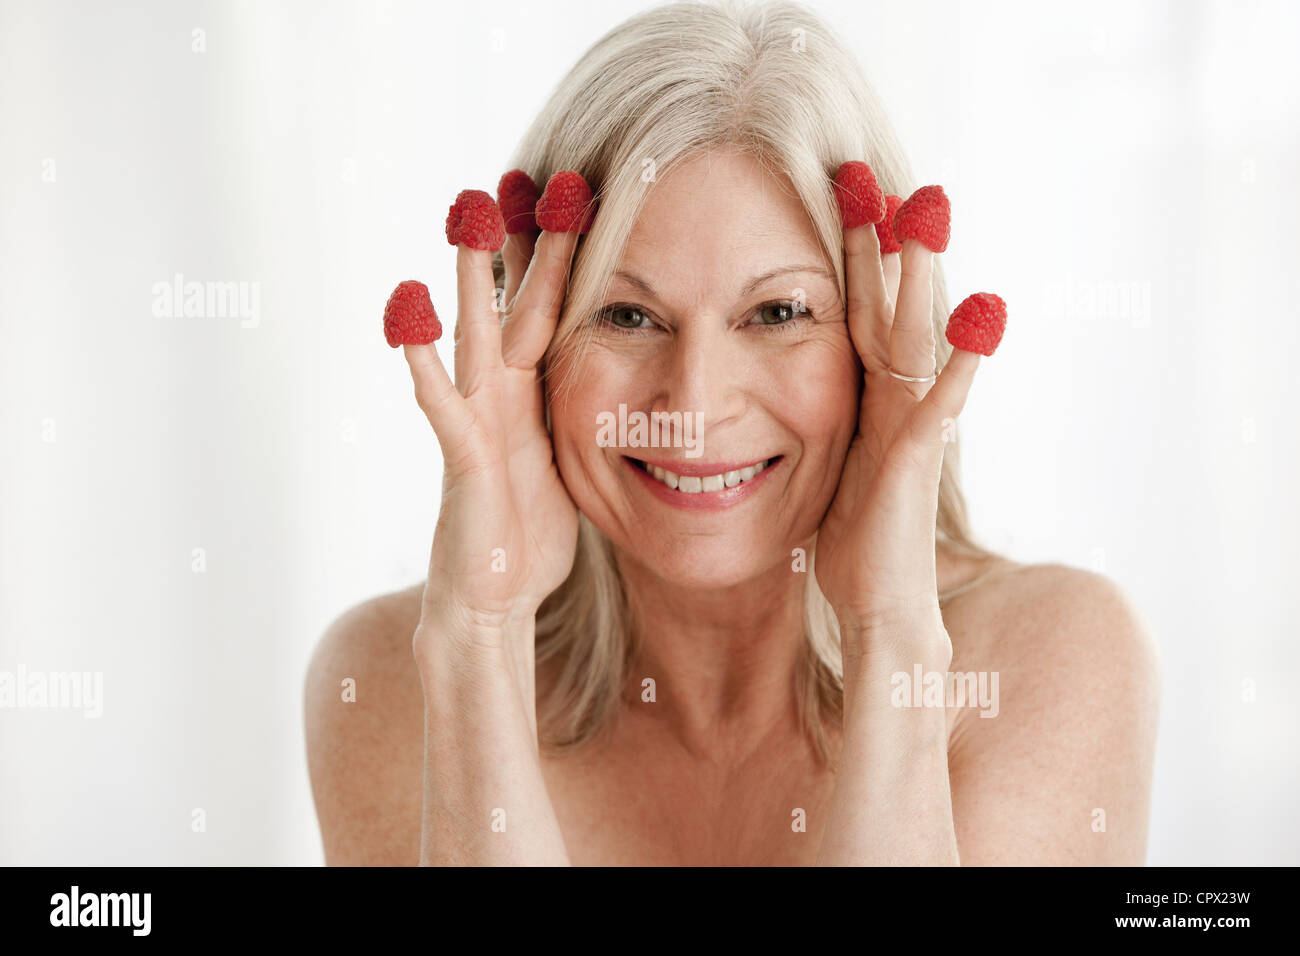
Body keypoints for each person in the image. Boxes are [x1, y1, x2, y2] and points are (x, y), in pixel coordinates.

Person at [305, 0, 1159, 865]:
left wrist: (891, 634)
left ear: (887, 334)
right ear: (528, 335)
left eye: (778, 312)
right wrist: (481, 637)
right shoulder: (386, 680)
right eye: (627, 314)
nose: (696, 403)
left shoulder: (1057, 653)